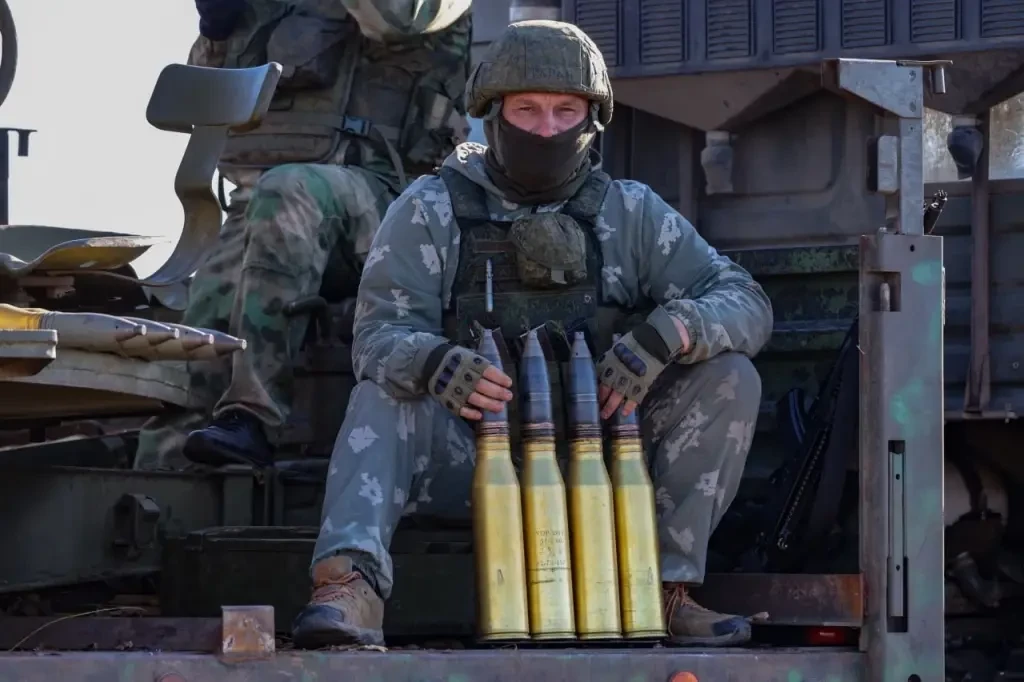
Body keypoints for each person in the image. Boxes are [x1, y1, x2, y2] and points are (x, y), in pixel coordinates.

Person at [290, 19, 775, 649]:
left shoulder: (630, 212)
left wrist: (672, 334)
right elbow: (376, 340)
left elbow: (745, 301)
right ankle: (350, 587)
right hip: (471, 460)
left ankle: (662, 589)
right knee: (382, 395)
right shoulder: (430, 209)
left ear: (592, 119)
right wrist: (433, 362)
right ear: (493, 115)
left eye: (565, 111)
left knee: (730, 377)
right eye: (527, 110)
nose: (547, 130)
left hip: (609, 460)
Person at [132, 0, 473, 471]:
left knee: (289, 189)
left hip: (397, 207)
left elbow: (400, 17)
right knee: (203, 328)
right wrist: (216, 28)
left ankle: (253, 415)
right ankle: (159, 479)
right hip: (265, 207)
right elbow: (212, 92)